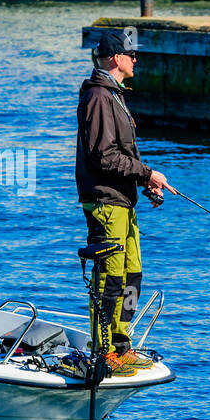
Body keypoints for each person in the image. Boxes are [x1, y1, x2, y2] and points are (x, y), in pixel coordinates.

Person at [76, 28, 175, 373]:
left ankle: (120, 344)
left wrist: (144, 183)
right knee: (110, 277)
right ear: (117, 58)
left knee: (132, 273)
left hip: (123, 200)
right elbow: (103, 156)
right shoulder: (99, 98)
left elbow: (120, 155)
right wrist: (148, 174)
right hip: (105, 202)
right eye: (132, 55)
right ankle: (103, 351)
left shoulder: (114, 95)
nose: (135, 60)